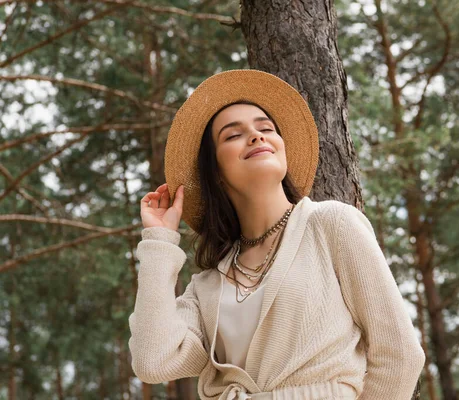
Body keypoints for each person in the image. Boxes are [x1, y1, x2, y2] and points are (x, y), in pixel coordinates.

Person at [128, 69, 425, 400]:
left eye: (265, 128)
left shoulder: (333, 226)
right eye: (232, 135)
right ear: (216, 172)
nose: (256, 136)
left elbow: (399, 355)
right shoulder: (208, 285)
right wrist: (158, 241)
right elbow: (152, 360)